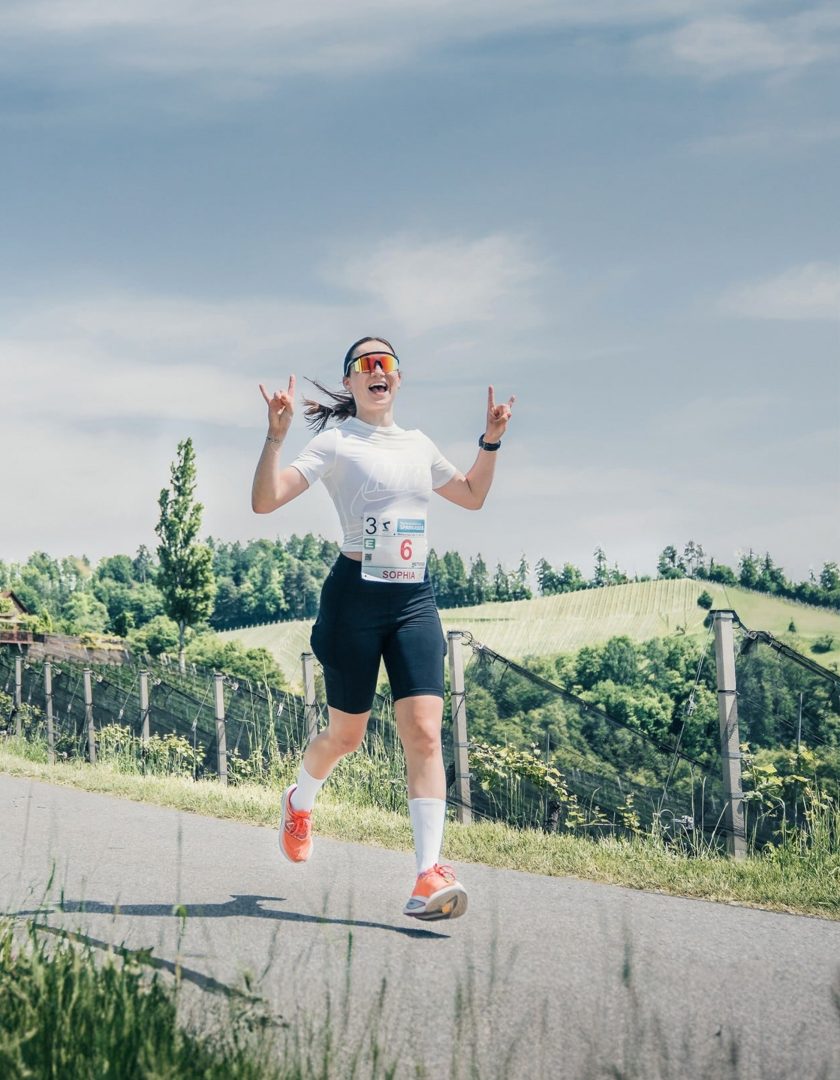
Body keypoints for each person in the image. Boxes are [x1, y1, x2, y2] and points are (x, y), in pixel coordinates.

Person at [251, 336, 514, 921]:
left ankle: (428, 873)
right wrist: (276, 435)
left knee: (423, 730)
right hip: (354, 601)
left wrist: (490, 439)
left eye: (386, 363)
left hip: (414, 599)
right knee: (346, 736)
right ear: (349, 383)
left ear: (398, 378)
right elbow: (265, 502)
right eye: (364, 364)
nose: (377, 370)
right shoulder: (337, 442)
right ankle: (300, 800)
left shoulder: (418, 445)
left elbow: (471, 496)